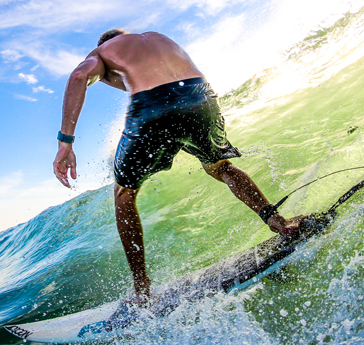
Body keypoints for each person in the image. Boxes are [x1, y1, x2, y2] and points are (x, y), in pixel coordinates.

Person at [53, 30, 305, 302]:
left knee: (124, 193)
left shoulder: (104, 51)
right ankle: (279, 222)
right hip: (200, 96)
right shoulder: (157, 38)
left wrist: (65, 142)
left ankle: (142, 290)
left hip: (152, 106)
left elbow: (79, 76)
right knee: (221, 167)